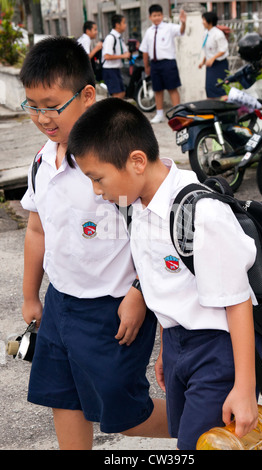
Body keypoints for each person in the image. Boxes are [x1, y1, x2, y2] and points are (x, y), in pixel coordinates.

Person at [67, 97, 262, 451]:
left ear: (136, 161)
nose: (97, 191)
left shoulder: (200, 213)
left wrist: (245, 389)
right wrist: (166, 350)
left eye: (98, 178)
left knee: (196, 445)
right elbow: (164, 281)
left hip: (217, 350)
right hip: (177, 346)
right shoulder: (136, 206)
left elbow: (238, 302)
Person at [19, 37, 169, 450]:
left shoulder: (112, 166)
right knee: (63, 400)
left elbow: (156, 234)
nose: (42, 117)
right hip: (60, 304)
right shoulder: (41, 162)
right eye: (32, 106)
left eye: (52, 105)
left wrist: (140, 294)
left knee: (126, 415)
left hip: (113, 310)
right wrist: (32, 295)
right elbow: (36, 231)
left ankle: (210, 419)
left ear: (87, 95)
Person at [139, 5, 186, 123]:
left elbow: (181, 31)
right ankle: (159, 114)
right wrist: (147, 66)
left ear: (162, 15)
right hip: (154, 64)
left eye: (159, 15)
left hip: (168, 63)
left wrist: (183, 23)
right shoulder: (148, 32)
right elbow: (145, 50)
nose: (157, 18)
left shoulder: (169, 27)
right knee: (157, 89)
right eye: (154, 15)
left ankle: (178, 114)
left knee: (172, 88)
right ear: (150, 17)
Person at [198, 11, 229, 98]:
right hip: (210, 66)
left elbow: (223, 50)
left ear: (210, 21)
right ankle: (212, 108)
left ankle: (224, 109)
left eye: (204, 20)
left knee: (220, 89)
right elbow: (208, 50)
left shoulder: (218, 34)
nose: (202, 22)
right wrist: (203, 62)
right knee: (209, 88)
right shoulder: (206, 33)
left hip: (219, 65)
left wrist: (212, 59)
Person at [102, 14, 130, 99]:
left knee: (122, 93)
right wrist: (123, 56)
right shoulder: (110, 38)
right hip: (110, 69)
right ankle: (111, 112)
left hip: (116, 69)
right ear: (117, 25)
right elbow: (107, 56)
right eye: (124, 23)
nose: (125, 25)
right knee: (117, 95)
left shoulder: (119, 38)